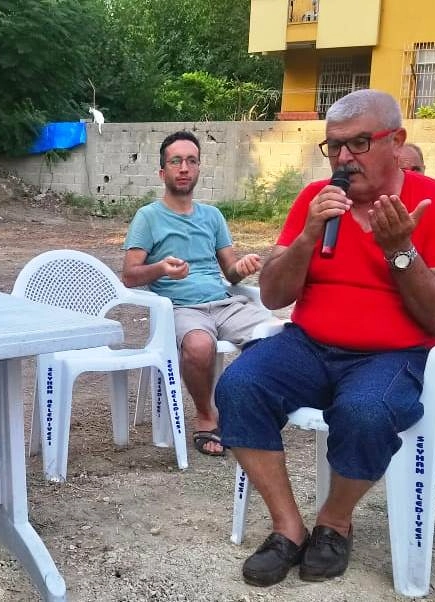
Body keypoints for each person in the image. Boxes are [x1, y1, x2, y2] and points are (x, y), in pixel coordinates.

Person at [216, 89, 435, 587]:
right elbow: (273, 295)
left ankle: (334, 523)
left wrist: (400, 251)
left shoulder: (429, 201)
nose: (343, 158)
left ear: (397, 140)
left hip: (391, 354)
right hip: (309, 345)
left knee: (366, 412)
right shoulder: (315, 200)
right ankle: (288, 528)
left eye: (359, 143)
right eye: (334, 146)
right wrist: (308, 235)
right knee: (239, 385)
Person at [121, 131, 270, 456]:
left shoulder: (212, 216)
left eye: (191, 161)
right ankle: (206, 416)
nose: (184, 168)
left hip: (224, 303)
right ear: (162, 172)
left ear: (199, 168)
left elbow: (229, 271)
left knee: (276, 336)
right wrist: (161, 268)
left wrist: (242, 267)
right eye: (176, 161)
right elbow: (130, 275)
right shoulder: (148, 217)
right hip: (180, 308)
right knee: (200, 347)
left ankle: (244, 408)